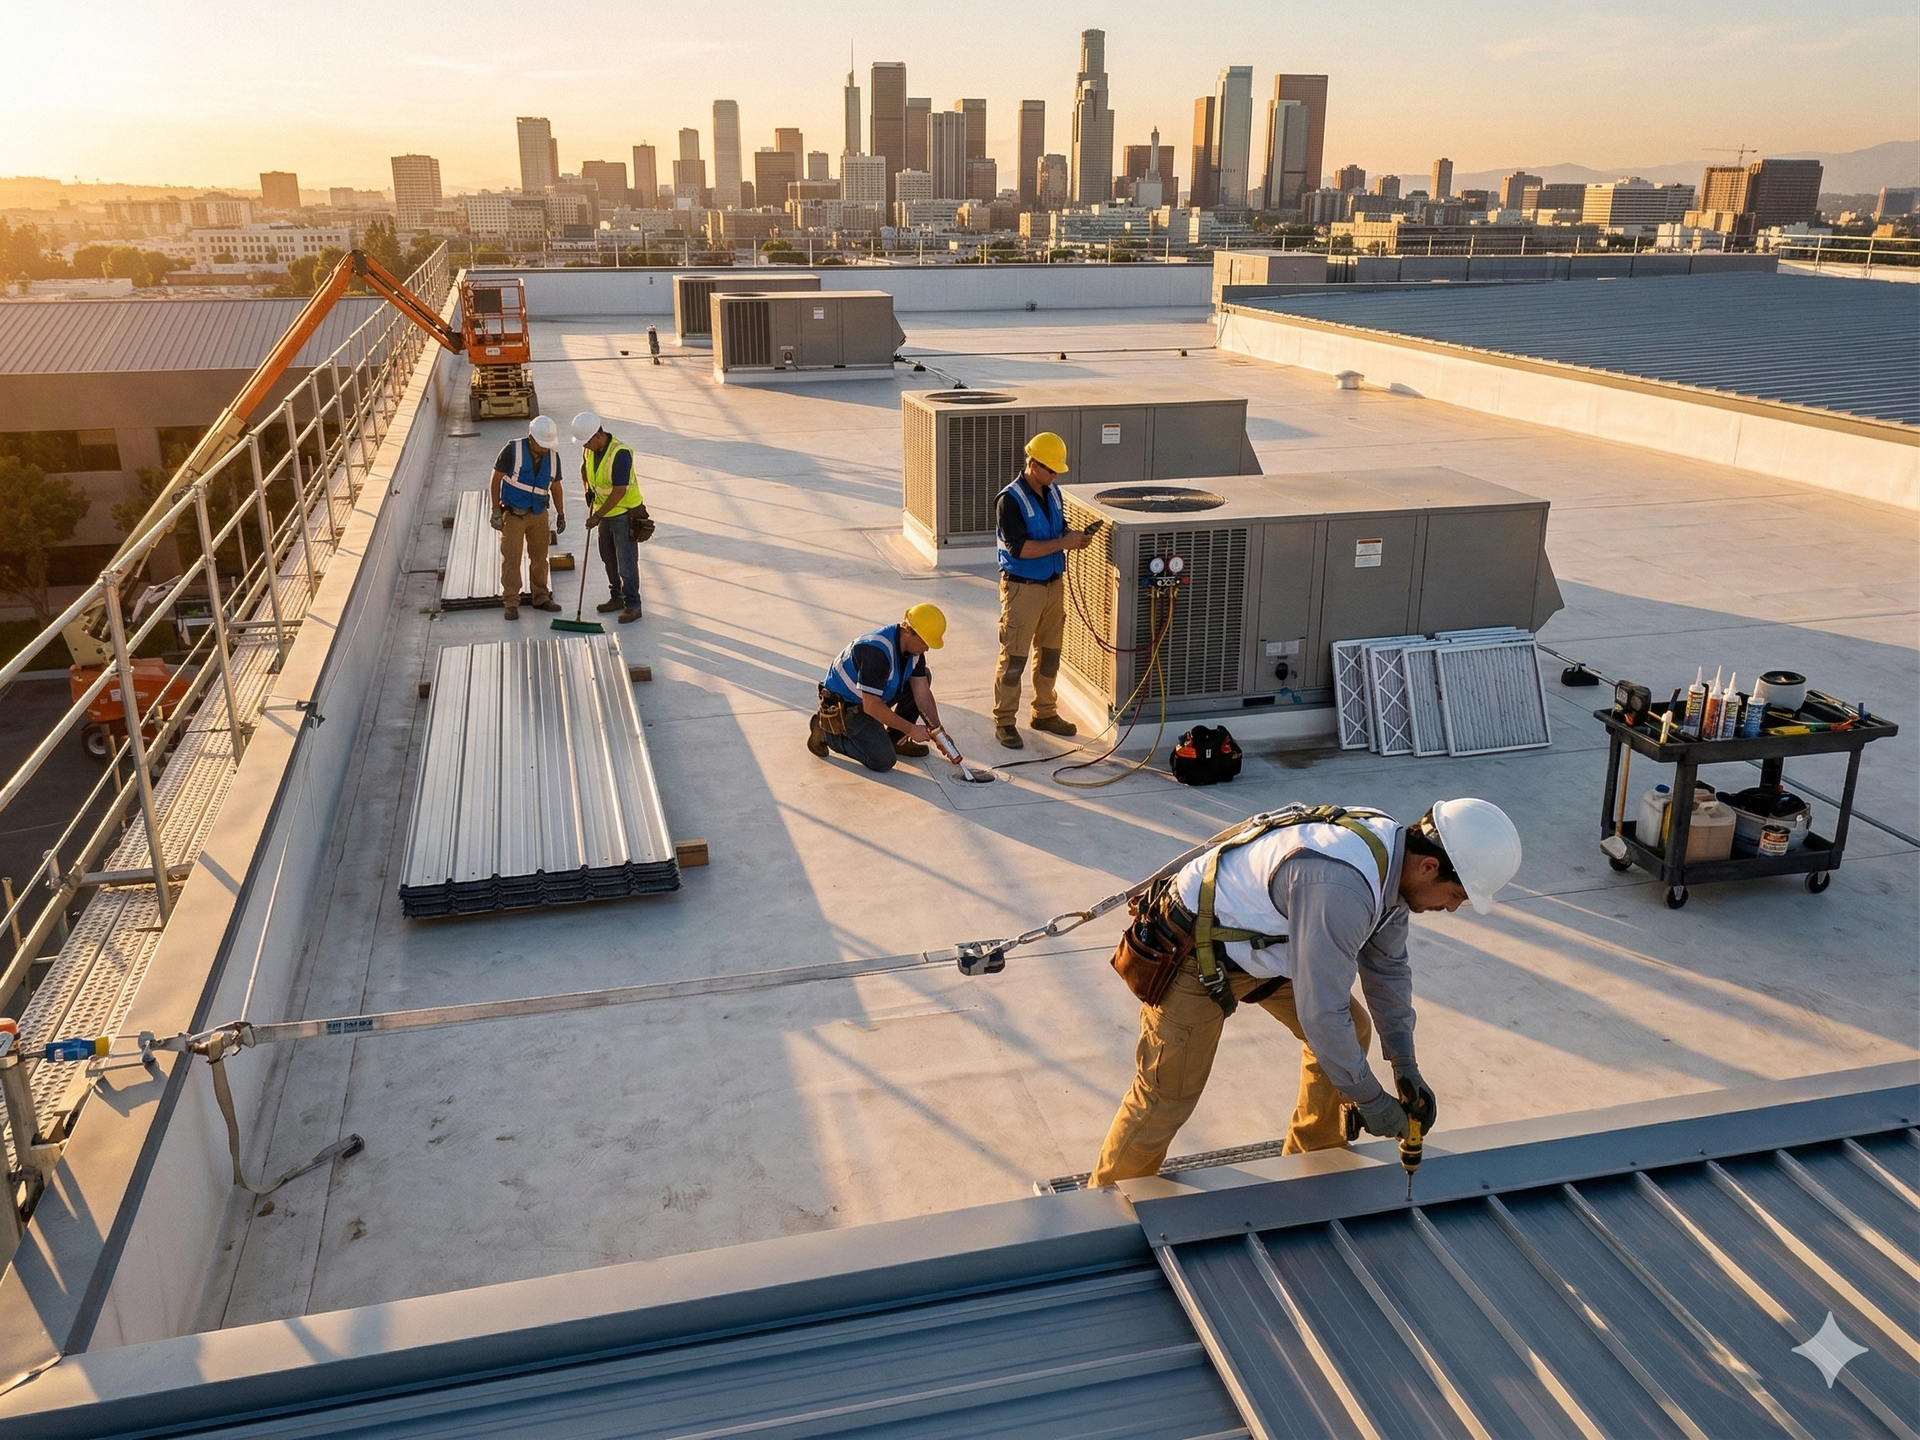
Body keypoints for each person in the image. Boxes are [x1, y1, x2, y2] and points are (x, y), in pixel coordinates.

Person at [1088, 798, 1522, 1188]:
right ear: (1429, 867)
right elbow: (1321, 1012)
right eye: (1456, 895)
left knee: (1351, 1032)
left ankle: (1314, 1160)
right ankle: (1104, 1210)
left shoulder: (1393, 860)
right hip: (1195, 953)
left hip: (1263, 942)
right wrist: (1370, 1100)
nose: (1451, 908)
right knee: (1167, 1095)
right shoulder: (1343, 886)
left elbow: (1387, 968)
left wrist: (1405, 1064)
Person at [993, 432, 1091, 750]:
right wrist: (1062, 543)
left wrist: (1072, 536)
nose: (1054, 476)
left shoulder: (1053, 492)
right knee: (1015, 659)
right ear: (1033, 465)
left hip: (1053, 586)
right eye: (1050, 470)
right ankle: (1005, 721)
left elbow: (1056, 528)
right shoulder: (1010, 500)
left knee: (1050, 654)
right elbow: (1018, 548)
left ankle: (1045, 712)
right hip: (1023, 590)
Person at [808, 604, 951, 772]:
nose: (927, 648)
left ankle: (896, 739)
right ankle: (826, 732)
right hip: (846, 706)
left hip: (871, 697)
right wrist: (911, 729)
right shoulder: (875, 651)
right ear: (908, 631)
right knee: (883, 761)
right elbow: (872, 706)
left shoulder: (914, 652)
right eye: (925, 642)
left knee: (923, 676)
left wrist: (939, 732)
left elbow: (922, 694)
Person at [571, 412, 646, 624]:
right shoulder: (589, 451)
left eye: (586, 442)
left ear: (598, 435)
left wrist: (597, 515)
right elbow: (584, 470)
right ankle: (617, 598)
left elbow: (619, 491)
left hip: (623, 514)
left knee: (626, 562)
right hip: (604, 515)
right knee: (608, 558)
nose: (584, 447)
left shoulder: (620, 453)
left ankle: (633, 604)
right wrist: (587, 489)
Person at [489, 416, 566, 621]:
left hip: (539, 514)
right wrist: (496, 510)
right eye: (541, 444)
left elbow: (556, 486)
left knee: (540, 559)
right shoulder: (512, 450)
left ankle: (541, 597)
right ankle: (511, 602)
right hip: (514, 514)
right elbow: (496, 479)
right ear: (530, 438)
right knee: (511, 559)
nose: (544, 448)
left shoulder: (552, 457)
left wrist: (561, 514)